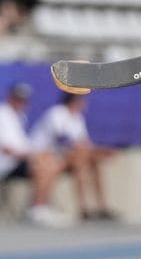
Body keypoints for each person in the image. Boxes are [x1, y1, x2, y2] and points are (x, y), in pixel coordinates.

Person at [0, 83, 69, 227]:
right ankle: (37, 208)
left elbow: (23, 147)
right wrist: (34, 156)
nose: (21, 103)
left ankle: (39, 207)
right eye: (18, 99)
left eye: (24, 100)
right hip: (3, 166)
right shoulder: (0, 115)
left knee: (52, 162)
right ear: (10, 98)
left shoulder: (18, 117)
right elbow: (6, 149)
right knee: (44, 162)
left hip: (15, 162)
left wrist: (37, 155)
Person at [29, 93, 118, 222]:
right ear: (75, 101)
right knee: (82, 158)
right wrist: (88, 150)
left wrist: (99, 151)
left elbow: (84, 143)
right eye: (82, 101)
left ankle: (101, 206)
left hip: (65, 157)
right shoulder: (57, 113)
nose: (85, 104)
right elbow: (62, 140)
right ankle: (82, 208)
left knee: (92, 162)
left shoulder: (78, 118)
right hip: (44, 155)